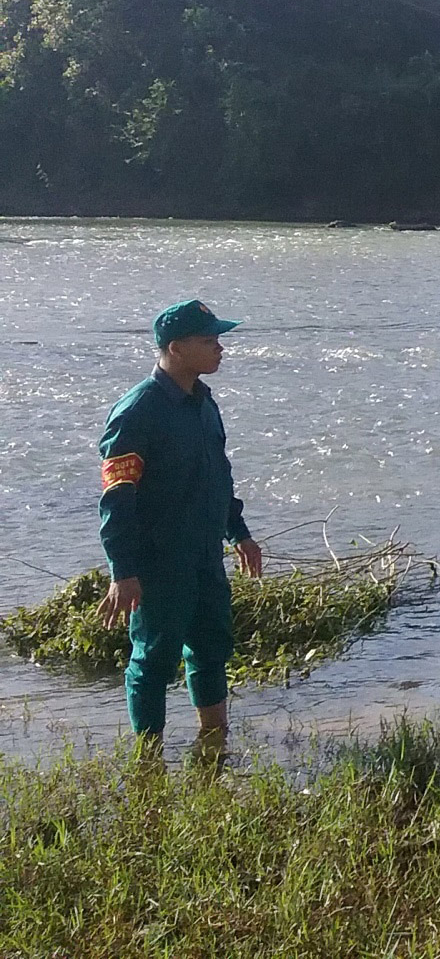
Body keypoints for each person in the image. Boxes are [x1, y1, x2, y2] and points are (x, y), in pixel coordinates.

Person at [96, 300, 263, 757]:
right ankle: (147, 762)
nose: (220, 348)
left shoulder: (204, 403)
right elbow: (116, 499)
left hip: (205, 556)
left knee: (212, 649)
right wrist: (123, 571)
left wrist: (240, 533)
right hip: (159, 561)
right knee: (153, 660)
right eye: (209, 340)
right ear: (176, 348)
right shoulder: (137, 412)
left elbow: (217, 477)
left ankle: (215, 746)